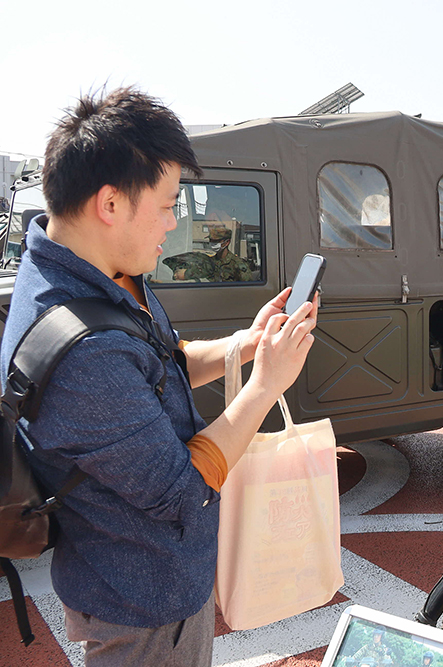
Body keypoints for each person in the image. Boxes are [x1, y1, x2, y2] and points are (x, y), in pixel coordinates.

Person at [0, 87, 317, 666]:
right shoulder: (83, 353)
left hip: (130, 575)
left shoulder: (96, 270)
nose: (174, 223)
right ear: (111, 204)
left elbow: (160, 362)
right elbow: (183, 493)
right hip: (142, 603)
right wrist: (266, 385)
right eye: (169, 204)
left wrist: (245, 345)